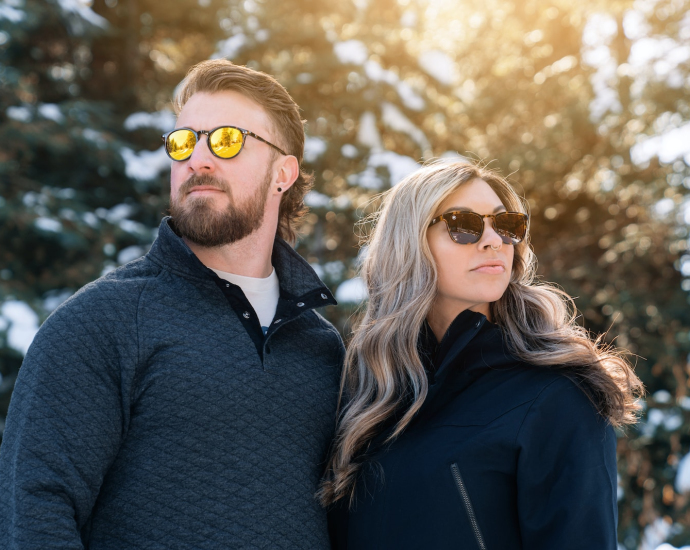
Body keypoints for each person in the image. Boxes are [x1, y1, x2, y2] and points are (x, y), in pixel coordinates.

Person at [0, 59, 344, 549]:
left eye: (227, 140)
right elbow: (31, 512)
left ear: (282, 172)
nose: (197, 159)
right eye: (183, 142)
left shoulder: (322, 348)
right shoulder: (101, 324)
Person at [320, 160, 643, 549]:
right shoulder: (368, 399)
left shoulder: (556, 397)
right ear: (409, 243)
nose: (493, 240)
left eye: (506, 225)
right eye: (464, 224)